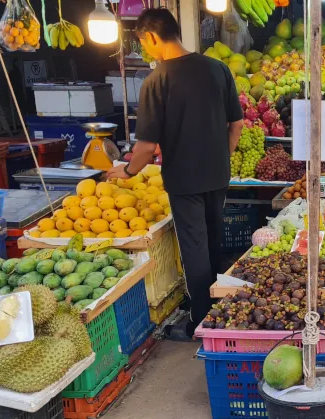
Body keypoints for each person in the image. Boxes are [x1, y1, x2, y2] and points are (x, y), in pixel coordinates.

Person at [106, 8, 243, 340]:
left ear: (152, 37)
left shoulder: (157, 81)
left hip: (185, 179)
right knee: (213, 240)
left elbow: (147, 146)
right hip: (217, 174)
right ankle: (220, 310)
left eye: (143, 43)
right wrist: (222, 154)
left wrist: (126, 171)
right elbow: (236, 123)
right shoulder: (218, 68)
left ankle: (201, 324)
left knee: (195, 249)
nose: (146, 49)